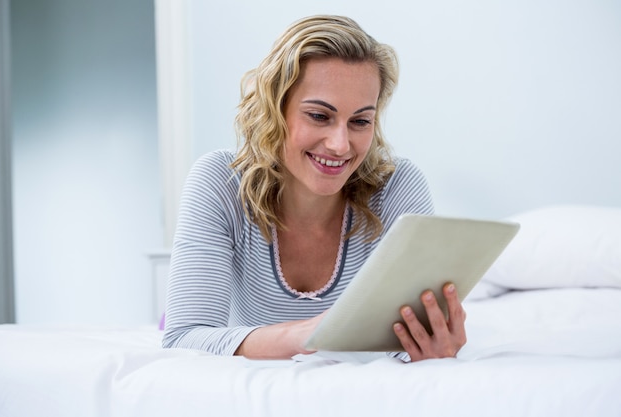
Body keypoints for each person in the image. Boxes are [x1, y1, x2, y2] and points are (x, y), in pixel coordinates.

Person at [162, 14, 467, 362]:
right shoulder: (219, 182)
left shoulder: (396, 186)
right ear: (275, 110)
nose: (340, 144)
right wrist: (311, 333)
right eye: (319, 116)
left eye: (360, 121)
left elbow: (408, 344)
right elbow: (186, 338)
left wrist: (430, 351)